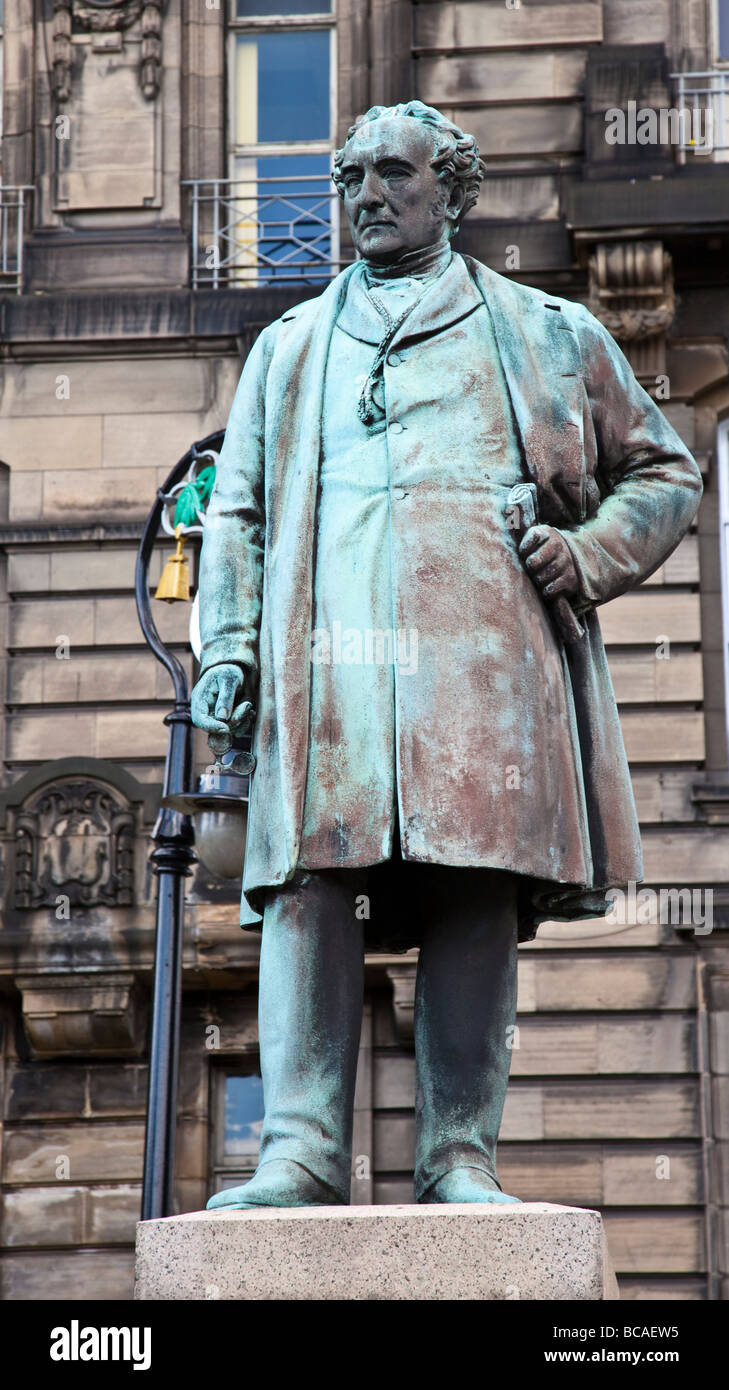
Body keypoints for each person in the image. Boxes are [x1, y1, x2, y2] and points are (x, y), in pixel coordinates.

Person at [191, 101, 702, 1209]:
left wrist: (589, 551)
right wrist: (227, 645)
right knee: (309, 886)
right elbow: (232, 516)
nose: (366, 194)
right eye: (350, 176)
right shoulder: (289, 348)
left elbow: (668, 475)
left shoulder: (548, 332)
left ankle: (460, 1154)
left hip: (482, 669)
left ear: (452, 194)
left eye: (392, 173)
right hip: (325, 673)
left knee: (473, 883)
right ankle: (301, 1150)